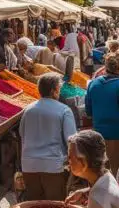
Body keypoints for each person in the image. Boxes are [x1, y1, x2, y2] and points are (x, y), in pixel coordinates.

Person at [19, 73, 77, 201]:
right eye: (59, 89)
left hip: (29, 165)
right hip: (53, 166)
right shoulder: (64, 110)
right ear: (54, 91)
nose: (59, 92)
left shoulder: (28, 109)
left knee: (34, 207)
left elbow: (22, 135)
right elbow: (72, 141)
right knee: (54, 207)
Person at [85, 53, 119, 175]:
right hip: (117, 136)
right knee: (117, 172)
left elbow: (88, 111)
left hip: (98, 134)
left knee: (101, 172)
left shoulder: (93, 84)